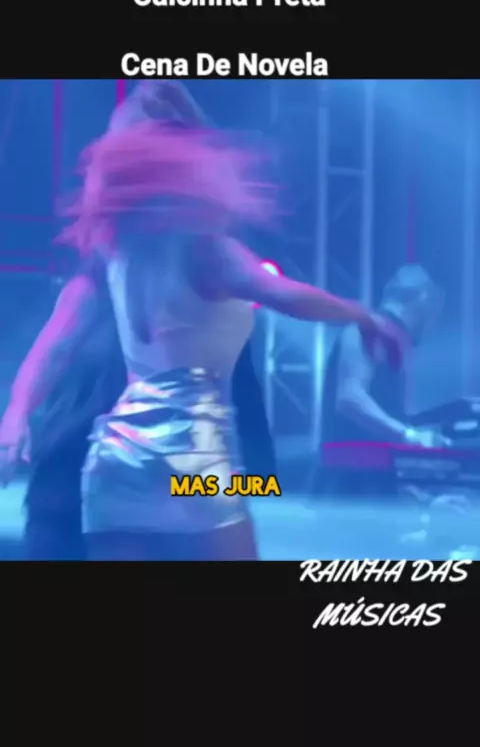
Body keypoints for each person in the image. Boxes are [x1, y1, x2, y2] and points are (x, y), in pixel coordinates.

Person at [1, 108, 405, 561]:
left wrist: (15, 415)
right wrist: (363, 316)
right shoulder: (209, 252)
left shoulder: (114, 260)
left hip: (114, 456)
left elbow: (54, 345)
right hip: (191, 453)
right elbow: (284, 293)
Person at [0, 82, 276, 561]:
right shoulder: (108, 260)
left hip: (191, 453)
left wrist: (180, 104)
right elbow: (55, 344)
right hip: (91, 448)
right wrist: (16, 414)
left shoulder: (210, 250)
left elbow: (214, 166)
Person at [319, 264, 445, 494]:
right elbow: (349, 399)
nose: (434, 325)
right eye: (436, 313)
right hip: (347, 487)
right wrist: (409, 435)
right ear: (423, 299)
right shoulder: (368, 331)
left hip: (371, 482)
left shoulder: (390, 341)